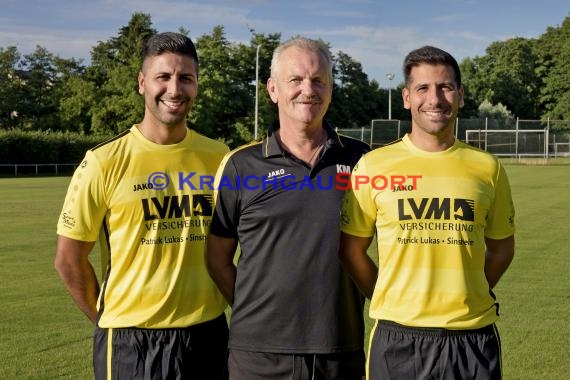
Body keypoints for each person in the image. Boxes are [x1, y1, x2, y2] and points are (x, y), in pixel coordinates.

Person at [54, 32, 230, 380]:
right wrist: (109, 322)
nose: (174, 89)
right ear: (142, 83)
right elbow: (68, 260)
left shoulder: (219, 157)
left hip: (209, 334)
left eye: (185, 78)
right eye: (163, 77)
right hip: (131, 341)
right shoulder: (103, 161)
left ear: (196, 85)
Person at [339, 45, 516, 380]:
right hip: (398, 337)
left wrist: (471, 287)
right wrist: (386, 294)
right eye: (423, 88)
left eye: (446, 87)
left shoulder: (487, 168)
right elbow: (351, 250)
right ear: (406, 97)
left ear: (461, 95)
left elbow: (502, 248)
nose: (435, 99)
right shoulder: (373, 166)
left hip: (472, 335)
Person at [205, 37, 370, 379]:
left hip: (341, 349)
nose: (307, 89)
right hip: (258, 356)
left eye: (318, 80)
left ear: (330, 89)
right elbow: (217, 258)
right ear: (273, 89)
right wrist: (256, 311)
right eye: (295, 80)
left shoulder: (363, 160)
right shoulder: (240, 165)